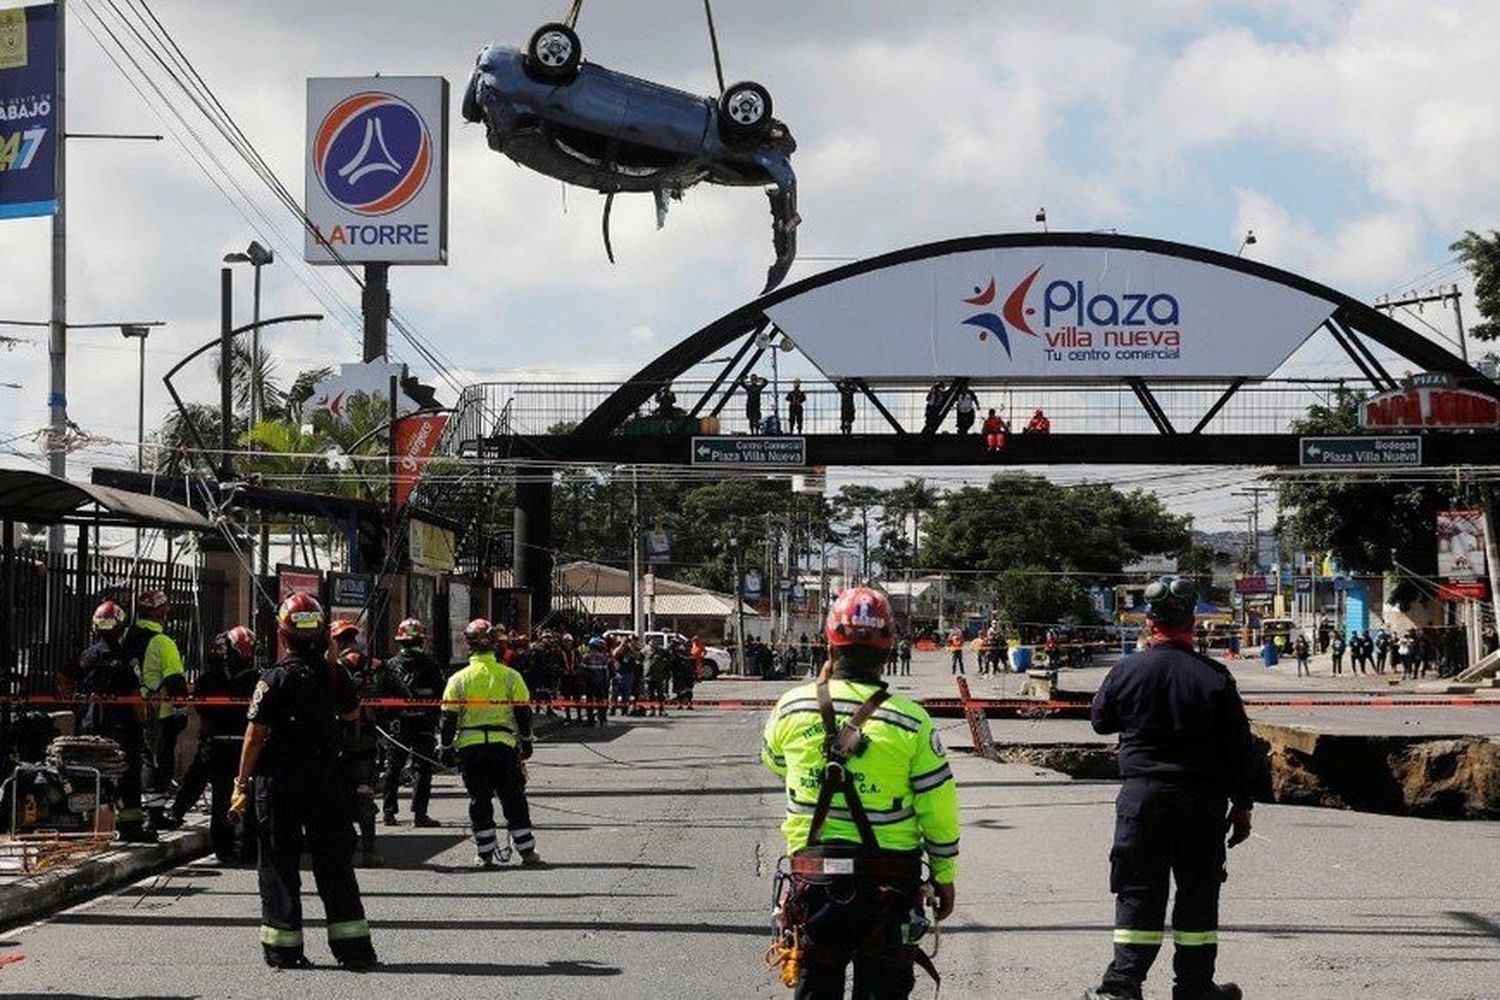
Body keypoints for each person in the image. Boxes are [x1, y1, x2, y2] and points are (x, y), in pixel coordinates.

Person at [761, 586, 959, 999]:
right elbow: (937, 805)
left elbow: (776, 762)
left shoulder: (792, 707)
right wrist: (944, 877)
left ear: (829, 643)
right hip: (888, 888)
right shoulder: (912, 722)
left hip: (813, 885)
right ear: (888, 650)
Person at [1085, 576, 1254, 1000]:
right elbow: (1240, 748)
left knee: (1139, 891)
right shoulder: (1215, 677)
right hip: (1202, 803)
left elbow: (1101, 721)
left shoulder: (1127, 671)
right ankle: (1194, 988)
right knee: (1198, 892)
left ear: (1149, 623)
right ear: (1192, 622)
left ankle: (1122, 987)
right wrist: (1243, 805)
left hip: (1143, 800)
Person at [232, 593, 376, 970]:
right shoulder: (334, 675)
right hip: (326, 779)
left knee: (279, 862)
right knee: (335, 862)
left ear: (283, 636)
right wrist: (329, 657)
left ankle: (284, 949)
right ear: (320, 634)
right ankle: (354, 949)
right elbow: (352, 714)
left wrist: (241, 785)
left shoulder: (273, 678)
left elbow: (254, 736)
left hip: (279, 783)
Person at [439, 618, 541, 868]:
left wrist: (446, 747)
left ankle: (484, 854)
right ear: (495, 645)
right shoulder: (510, 677)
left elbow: (448, 718)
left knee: (479, 799)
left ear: (469, 645)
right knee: (513, 798)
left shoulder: (458, 680)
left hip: (470, 749)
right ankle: (527, 851)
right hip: (503, 747)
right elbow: (522, 713)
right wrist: (526, 741)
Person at [62, 601, 153, 843]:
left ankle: (87, 822)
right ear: (120, 627)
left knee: (90, 770)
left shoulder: (87, 656)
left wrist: (75, 704)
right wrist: (143, 722)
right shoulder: (126, 659)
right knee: (128, 772)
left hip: (91, 722)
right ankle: (131, 827)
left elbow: (63, 678)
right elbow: (135, 698)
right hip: (122, 726)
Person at [167, 626, 260, 861]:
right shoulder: (256, 679)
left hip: (223, 744)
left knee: (222, 795)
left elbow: (202, 709)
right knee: (243, 795)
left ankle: (225, 847)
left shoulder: (213, 678)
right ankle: (245, 848)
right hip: (241, 745)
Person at [331, 620, 407, 867]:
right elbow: (404, 696)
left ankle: (341, 850)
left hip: (336, 742)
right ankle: (369, 852)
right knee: (365, 796)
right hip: (367, 741)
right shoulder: (376, 666)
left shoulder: (332, 669)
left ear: (337, 641)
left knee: (336, 796)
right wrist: (384, 716)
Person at [123, 589, 187, 829]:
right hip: (158, 714)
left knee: (137, 760)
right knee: (158, 764)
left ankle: (135, 811)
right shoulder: (163, 642)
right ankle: (155, 814)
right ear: (161, 613)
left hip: (130, 709)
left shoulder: (127, 637)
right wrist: (181, 707)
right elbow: (175, 681)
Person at [382, 618, 445, 829]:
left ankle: (388, 812)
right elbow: (440, 694)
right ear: (421, 640)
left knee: (393, 768)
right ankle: (420, 814)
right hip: (424, 723)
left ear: (400, 641)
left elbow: (381, 696)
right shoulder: (431, 663)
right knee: (422, 769)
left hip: (397, 724)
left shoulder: (390, 665)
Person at [579, 637, 613, 726]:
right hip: (595, 683)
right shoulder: (588, 657)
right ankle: (599, 719)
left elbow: (606, 671)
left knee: (595, 701)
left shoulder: (592, 656)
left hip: (595, 683)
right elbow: (583, 670)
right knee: (596, 701)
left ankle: (596, 719)